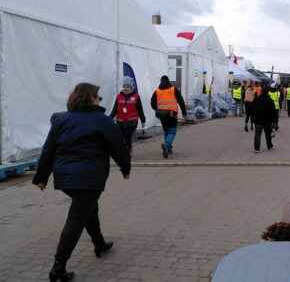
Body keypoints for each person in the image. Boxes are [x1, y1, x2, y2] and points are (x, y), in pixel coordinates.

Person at [32, 83, 131, 282]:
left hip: (66, 179)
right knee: (77, 219)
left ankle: (99, 244)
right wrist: (125, 168)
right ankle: (58, 269)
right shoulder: (102, 121)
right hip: (90, 178)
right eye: (98, 97)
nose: (100, 100)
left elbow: (48, 149)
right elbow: (118, 147)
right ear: (90, 98)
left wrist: (42, 177)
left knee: (88, 209)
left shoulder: (61, 120)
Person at [151, 76, 187, 158]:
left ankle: (169, 148)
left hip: (161, 114)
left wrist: (157, 109)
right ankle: (166, 145)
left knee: (166, 131)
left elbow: (152, 103)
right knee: (172, 132)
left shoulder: (157, 91)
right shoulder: (173, 89)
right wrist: (184, 113)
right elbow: (181, 101)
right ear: (168, 81)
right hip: (171, 113)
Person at [109, 77, 146, 153]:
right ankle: (128, 149)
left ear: (132, 87)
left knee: (127, 136)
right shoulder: (119, 96)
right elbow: (115, 109)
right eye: (124, 86)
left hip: (132, 121)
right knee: (122, 137)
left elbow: (140, 109)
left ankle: (127, 151)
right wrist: (110, 118)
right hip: (120, 121)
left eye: (128, 87)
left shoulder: (136, 97)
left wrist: (143, 120)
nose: (126, 88)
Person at [253, 85, 276, 153]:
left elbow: (254, 109)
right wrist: (273, 121)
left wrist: (253, 117)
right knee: (268, 134)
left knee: (257, 135)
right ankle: (269, 146)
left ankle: (256, 149)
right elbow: (273, 112)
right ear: (268, 92)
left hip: (258, 120)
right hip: (267, 120)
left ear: (261, 91)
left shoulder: (257, 99)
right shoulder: (270, 100)